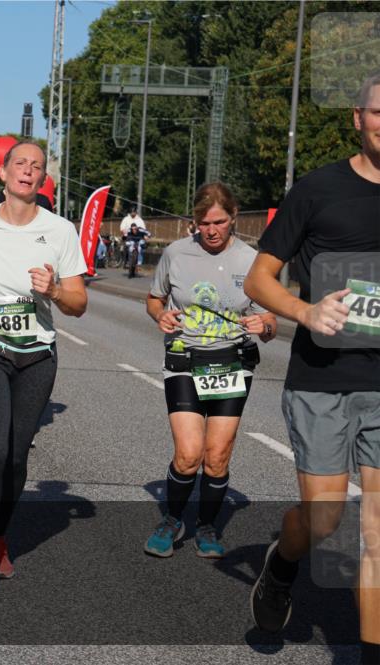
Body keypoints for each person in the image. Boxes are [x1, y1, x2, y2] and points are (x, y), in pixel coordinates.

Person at [244, 74, 380, 660]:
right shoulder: (317, 190)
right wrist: (304, 309)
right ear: (358, 117)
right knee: (324, 522)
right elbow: (257, 279)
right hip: (322, 381)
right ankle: (281, 565)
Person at [0, 140, 87, 596]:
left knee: (17, 456)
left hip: (37, 355)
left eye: (36, 167)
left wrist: (56, 291)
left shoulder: (61, 230)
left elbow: (80, 303)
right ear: (2, 173)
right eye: (20, 164)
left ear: (43, 180)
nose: (27, 171)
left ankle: (1, 535)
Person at [143, 182, 277, 559]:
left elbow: (269, 321)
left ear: (233, 218)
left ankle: (206, 525)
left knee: (216, 456)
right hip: (186, 357)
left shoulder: (252, 260)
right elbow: (154, 299)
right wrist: (161, 315)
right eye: (204, 223)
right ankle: (172, 519)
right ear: (194, 222)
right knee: (188, 453)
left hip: (233, 361)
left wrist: (263, 326)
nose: (212, 230)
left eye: (218, 222)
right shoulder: (175, 253)